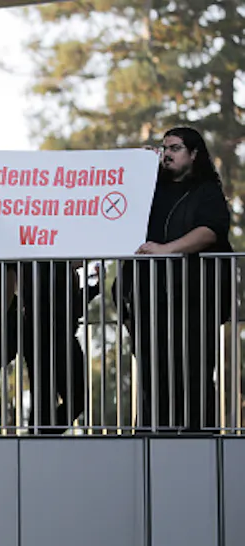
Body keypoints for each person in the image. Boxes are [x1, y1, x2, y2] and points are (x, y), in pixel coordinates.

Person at [121, 126, 233, 432]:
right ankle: (151, 438)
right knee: (152, 373)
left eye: (175, 148)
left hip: (193, 300)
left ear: (194, 154)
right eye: (164, 148)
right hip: (150, 301)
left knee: (193, 371)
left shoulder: (206, 191)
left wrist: (167, 250)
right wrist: (137, 164)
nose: (167, 153)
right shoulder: (151, 191)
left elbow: (210, 230)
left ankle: (199, 438)